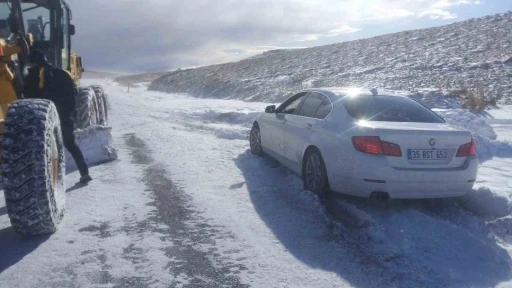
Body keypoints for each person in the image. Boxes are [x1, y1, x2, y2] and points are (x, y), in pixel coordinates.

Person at [24, 49, 92, 184]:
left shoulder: (32, 76)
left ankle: (54, 178)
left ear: (32, 62)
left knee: (49, 150)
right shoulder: (64, 74)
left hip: (44, 119)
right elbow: (74, 95)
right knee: (70, 145)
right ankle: (85, 173)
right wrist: (71, 115)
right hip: (65, 117)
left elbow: (28, 98)